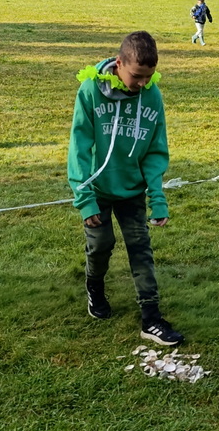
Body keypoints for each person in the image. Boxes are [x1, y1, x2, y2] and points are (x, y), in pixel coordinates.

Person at [67, 30, 183, 346]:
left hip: (132, 190)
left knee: (140, 248)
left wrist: (157, 197)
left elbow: (155, 151)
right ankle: (94, 288)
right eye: (137, 76)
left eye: (149, 76)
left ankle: (151, 318)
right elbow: (79, 146)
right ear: (119, 64)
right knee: (100, 246)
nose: (143, 83)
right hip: (97, 190)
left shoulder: (152, 96)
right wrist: (84, 198)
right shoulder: (90, 90)